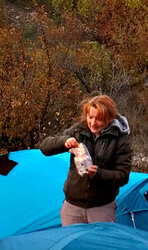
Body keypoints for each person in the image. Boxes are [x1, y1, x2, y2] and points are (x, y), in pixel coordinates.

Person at [39, 94, 132, 226]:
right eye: (90, 117)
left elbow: (123, 176)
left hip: (101, 208)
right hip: (72, 207)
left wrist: (98, 174)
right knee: (73, 246)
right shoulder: (79, 130)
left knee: (99, 245)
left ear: (109, 118)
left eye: (99, 119)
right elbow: (45, 148)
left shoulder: (120, 139)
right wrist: (64, 142)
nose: (93, 123)